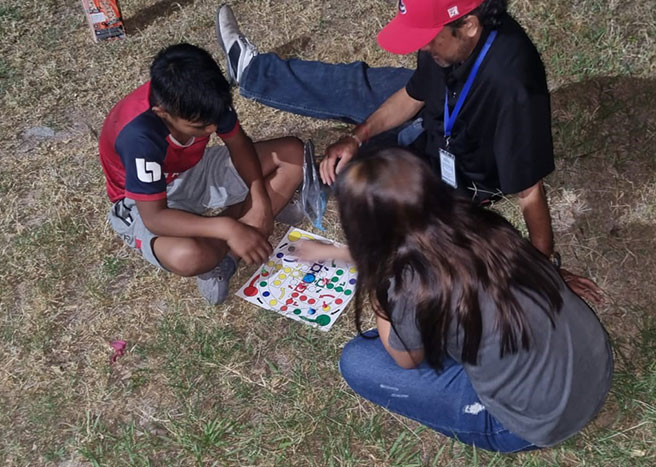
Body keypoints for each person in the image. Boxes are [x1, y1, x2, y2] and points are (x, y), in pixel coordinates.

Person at [215, 0, 604, 304]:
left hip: (458, 171)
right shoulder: (449, 43)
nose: (422, 46)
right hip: (436, 121)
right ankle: (252, 72)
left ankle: (317, 183)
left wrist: (544, 270)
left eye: (428, 37)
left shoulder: (511, 88)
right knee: (359, 87)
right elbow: (414, 93)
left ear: (468, 25)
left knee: (360, 181)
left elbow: (530, 192)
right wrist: (358, 134)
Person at [296, 147, 613, 452]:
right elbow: (410, 238)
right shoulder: (481, 224)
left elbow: (407, 359)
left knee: (358, 360)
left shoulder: (410, 286)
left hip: (531, 423)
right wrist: (336, 253)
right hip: (593, 367)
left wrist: (379, 278)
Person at [99, 43, 304, 305]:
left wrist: (260, 197)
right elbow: (155, 218)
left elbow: (239, 144)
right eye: (199, 126)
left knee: (293, 156)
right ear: (163, 113)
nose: (212, 128)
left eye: (216, 120)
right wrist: (228, 227)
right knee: (189, 256)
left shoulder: (205, 97)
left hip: (195, 169)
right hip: (142, 202)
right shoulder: (139, 136)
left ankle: (235, 246)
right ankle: (239, 229)